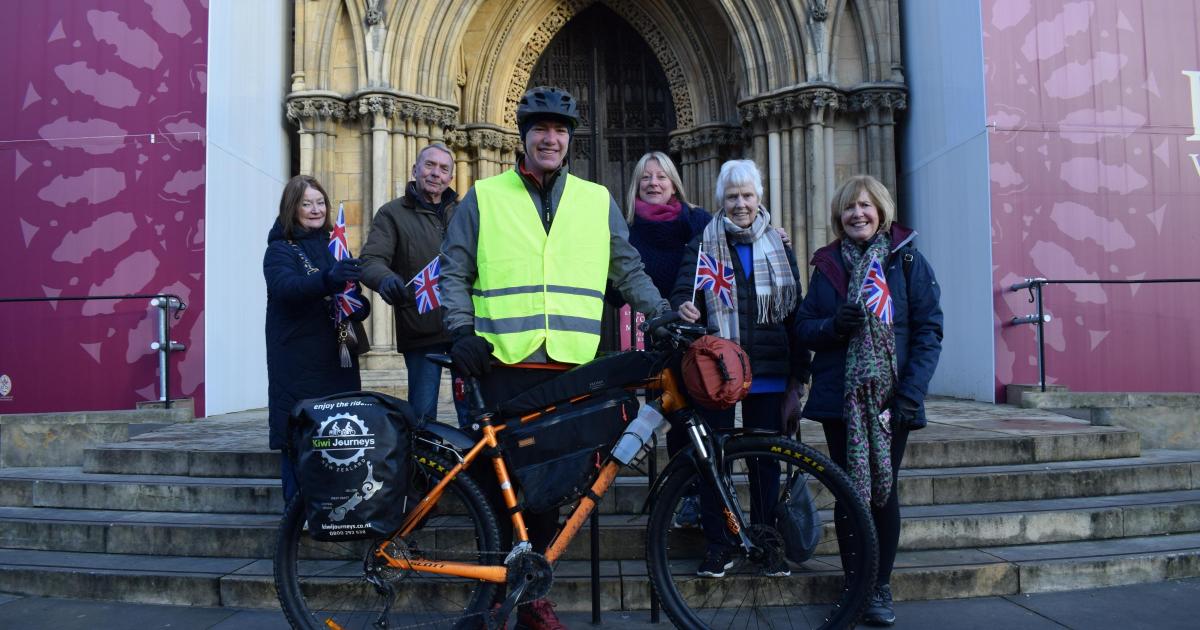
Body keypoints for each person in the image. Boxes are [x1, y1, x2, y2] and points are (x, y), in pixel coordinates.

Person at [439, 86, 669, 630]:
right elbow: (453, 271)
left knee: (549, 491)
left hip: (569, 368)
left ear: (569, 140)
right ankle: (496, 596)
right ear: (523, 137)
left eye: (560, 130)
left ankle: (529, 596)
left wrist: (659, 314)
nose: (551, 138)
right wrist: (459, 331)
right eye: (540, 129)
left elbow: (627, 269)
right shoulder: (484, 197)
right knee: (502, 493)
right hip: (501, 363)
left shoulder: (597, 200)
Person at [795, 174, 943, 626]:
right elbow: (803, 327)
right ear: (838, 216)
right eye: (848, 208)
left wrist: (910, 395)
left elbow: (928, 331)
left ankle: (879, 588)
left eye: (865, 206)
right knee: (848, 495)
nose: (857, 214)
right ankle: (854, 584)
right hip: (840, 399)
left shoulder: (908, 261)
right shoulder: (827, 266)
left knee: (882, 494)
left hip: (890, 400)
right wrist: (833, 327)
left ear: (881, 210)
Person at [671, 159, 809, 578]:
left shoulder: (778, 246)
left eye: (747, 195)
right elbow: (682, 291)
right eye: (732, 197)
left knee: (764, 463)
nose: (740, 204)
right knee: (715, 461)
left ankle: (766, 543)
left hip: (768, 372)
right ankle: (720, 544)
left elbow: (794, 313)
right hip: (718, 373)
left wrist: (798, 375)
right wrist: (684, 305)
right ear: (721, 201)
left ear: (759, 198)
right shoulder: (702, 244)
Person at [263, 174, 370, 503]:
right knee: (300, 439)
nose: (315, 209)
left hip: (336, 360)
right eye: (306, 203)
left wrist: (358, 305)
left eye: (320, 202)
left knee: (338, 437)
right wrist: (328, 279)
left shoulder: (334, 246)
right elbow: (287, 289)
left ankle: (336, 512)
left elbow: (350, 294)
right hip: (298, 362)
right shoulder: (280, 249)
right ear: (291, 209)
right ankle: (296, 519)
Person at [360, 142, 467, 425]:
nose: (436, 174)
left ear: (451, 178)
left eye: (444, 169)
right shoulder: (392, 213)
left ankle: (476, 469)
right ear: (415, 169)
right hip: (421, 329)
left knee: (474, 413)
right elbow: (371, 259)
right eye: (429, 165)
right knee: (422, 416)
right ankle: (422, 468)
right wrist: (385, 279)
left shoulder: (464, 212)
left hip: (465, 328)